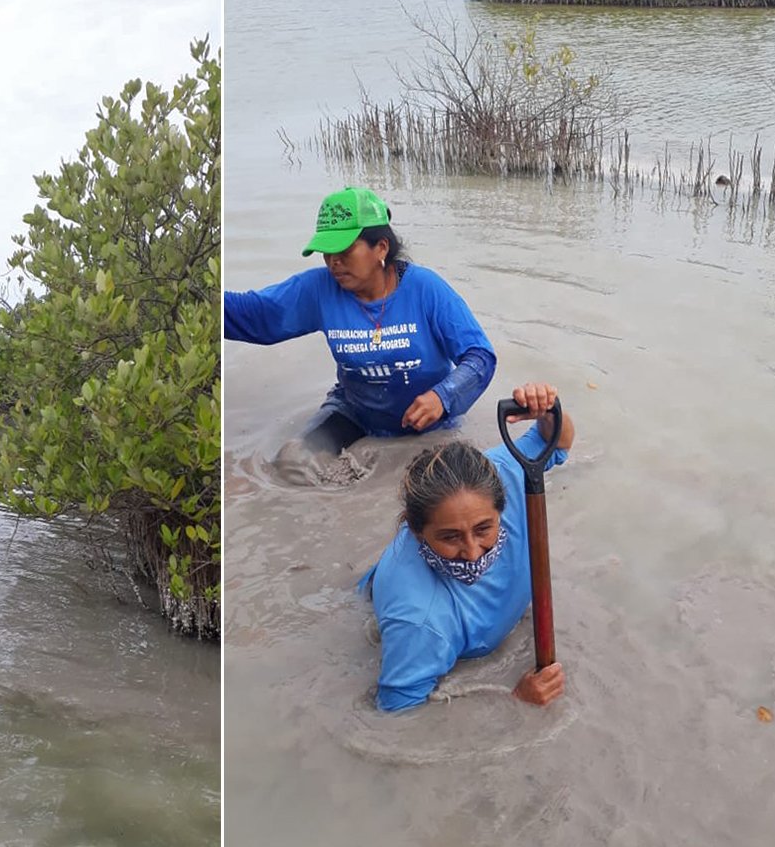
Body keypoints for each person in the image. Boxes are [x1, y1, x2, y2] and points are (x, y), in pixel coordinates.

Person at [224, 187, 497, 455]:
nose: (333, 262)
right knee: (294, 459)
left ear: (381, 247)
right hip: (354, 414)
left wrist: (443, 397)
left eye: (344, 249)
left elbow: (480, 357)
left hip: (429, 426)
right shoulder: (320, 290)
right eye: (327, 252)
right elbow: (253, 315)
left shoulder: (426, 289)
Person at [362, 382, 574, 712]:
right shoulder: (420, 623)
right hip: (401, 614)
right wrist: (515, 703)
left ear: (501, 505)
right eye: (450, 537)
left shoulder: (507, 473)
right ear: (417, 532)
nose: (474, 552)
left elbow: (557, 440)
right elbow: (394, 720)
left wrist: (546, 410)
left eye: (484, 529)